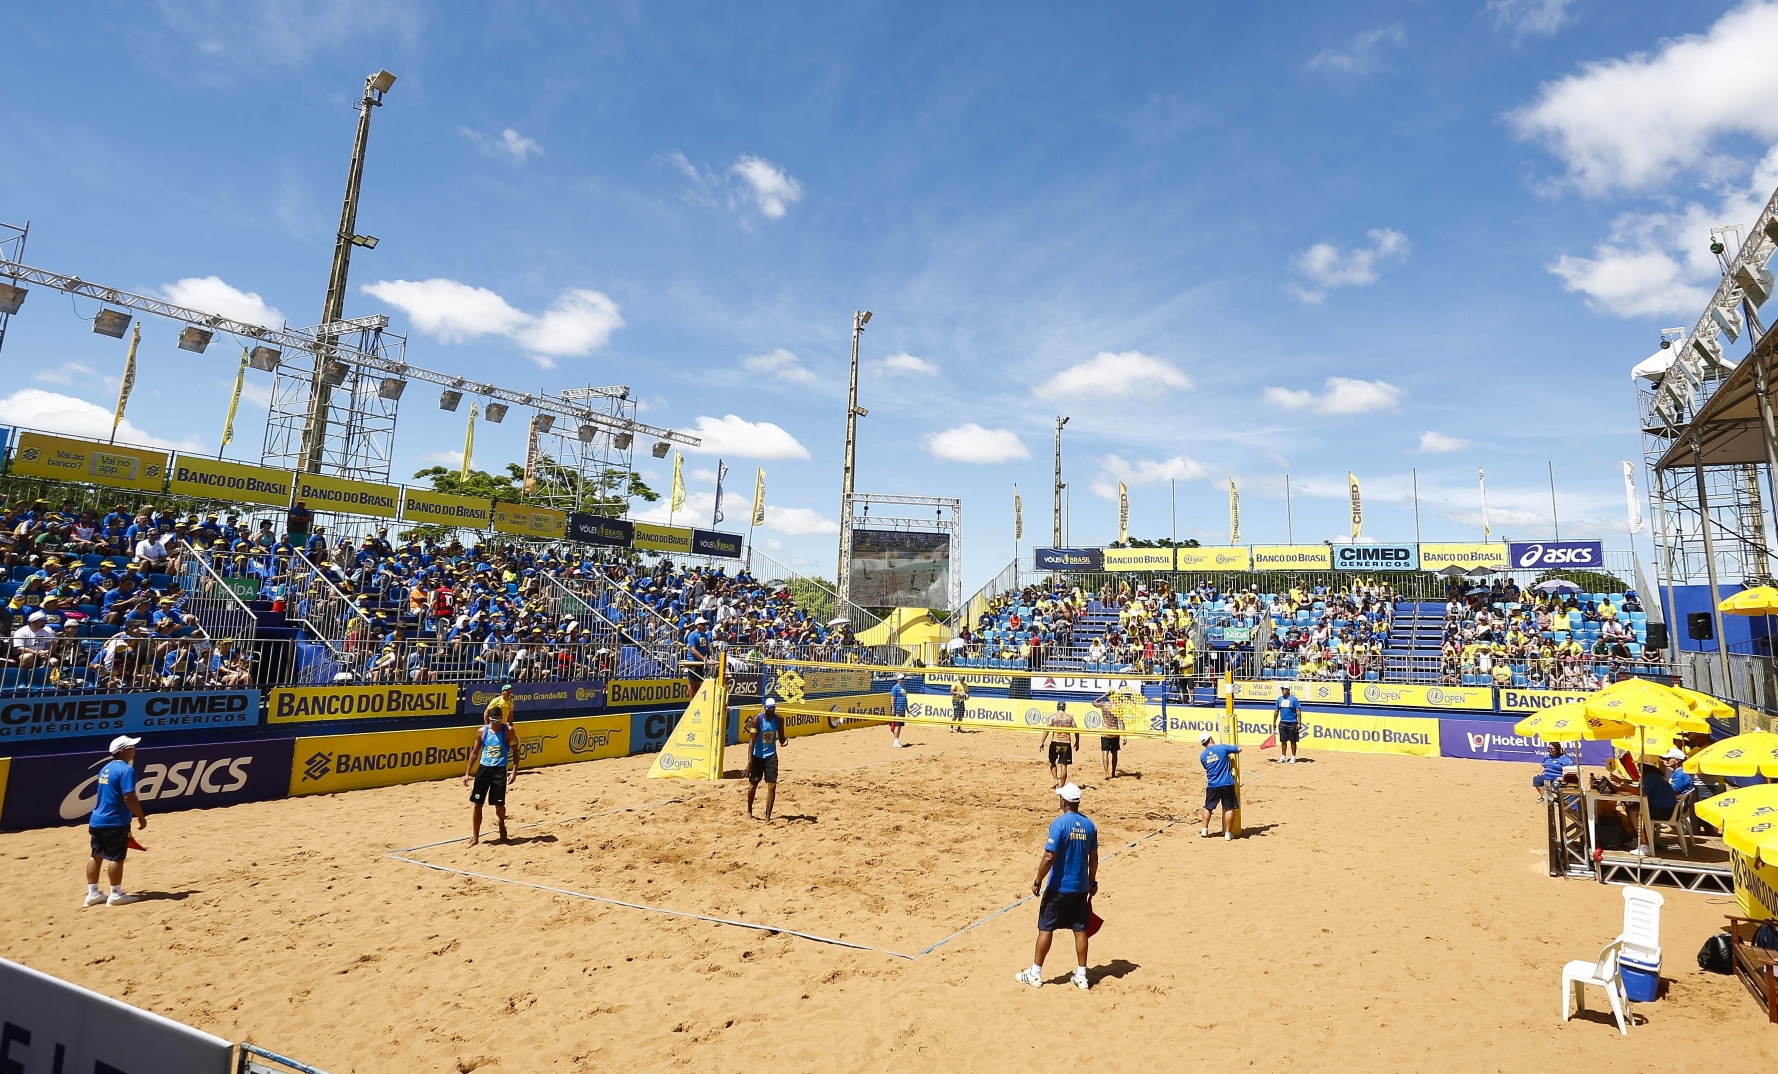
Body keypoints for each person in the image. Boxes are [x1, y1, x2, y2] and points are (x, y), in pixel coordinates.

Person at [1014, 782, 1098, 991]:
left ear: (1063, 801)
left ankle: (1035, 973)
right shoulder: (1089, 825)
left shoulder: (1059, 824)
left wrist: (1037, 880)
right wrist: (1091, 881)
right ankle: (1081, 975)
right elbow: (1094, 858)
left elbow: (1049, 856)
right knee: (1080, 930)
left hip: (1059, 887)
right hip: (1080, 887)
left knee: (1046, 927)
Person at [85, 735, 148, 906]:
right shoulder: (127, 770)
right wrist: (141, 816)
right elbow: (129, 796)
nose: (135, 749)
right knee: (116, 858)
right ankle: (116, 894)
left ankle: (93, 893)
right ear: (122, 751)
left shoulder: (105, 768)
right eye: (132, 747)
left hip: (97, 820)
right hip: (115, 821)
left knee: (96, 856)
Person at [463, 685, 520, 845]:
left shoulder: (508, 731)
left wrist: (514, 771)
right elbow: (474, 753)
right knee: (477, 804)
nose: (496, 724)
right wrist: (467, 773)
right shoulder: (482, 731)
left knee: (499, 806)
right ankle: (475, 837)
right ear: (490, 719)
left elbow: (516, 751)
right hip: (484, 769)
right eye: (493, 721)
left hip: (499, 770)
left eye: (498, 721)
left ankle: (501, 822)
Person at [745, 697, 789, 820]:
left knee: (772, 785)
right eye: (769, 709)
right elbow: (751, 742)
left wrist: (783, 742)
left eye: (773, 708)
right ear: (765, 708)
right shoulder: (757, 720)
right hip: (757, 756)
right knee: (753, 784)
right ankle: (749, 809)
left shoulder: (779, 719)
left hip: (771, 755)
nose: (771, 711)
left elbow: (781, 737)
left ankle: (768, 817)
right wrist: (749, 762)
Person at [1199, 731, 1241, 840]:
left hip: (1213, 784)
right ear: (1211, 738)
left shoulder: (1203, 756)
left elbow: (1207, 767)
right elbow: (1238, 749)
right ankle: (1227, 833)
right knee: (1228, 808)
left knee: (1208, 807)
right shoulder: (1222, 748)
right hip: (1226, 783)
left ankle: (1204, 829)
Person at [1040, 702, 1079, 788]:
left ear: (1057, 707)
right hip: (1066, 743)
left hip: (1055, 742)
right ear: (1065, 708)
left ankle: (1055, 780)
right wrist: (1077, 742)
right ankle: (1061, 786)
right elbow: (1077, 730)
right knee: (1063, 766)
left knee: (1052, 762)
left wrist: (1042, 741)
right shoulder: (1070, 718)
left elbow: (1047, 730)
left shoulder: (1053, 717)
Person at [1094, 693, 1122, 780]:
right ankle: (1113, 772)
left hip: (1106, 731)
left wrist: (1104, 695)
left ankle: (1106, 773)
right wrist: (1124, 735)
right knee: (1114, 753)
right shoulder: (1118, 707)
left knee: (1105, 753)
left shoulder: (1104, 705)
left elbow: (1094, 702)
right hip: (1115, 731)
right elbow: (1121, 721)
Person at [1273, 686, 1302, 763]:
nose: (1283, 690)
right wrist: (1274, 721)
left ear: (1288, 690)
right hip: (1283, 722)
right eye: (1282, 689)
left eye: (1285, 689)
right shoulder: (1280, 699)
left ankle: (1293, 756)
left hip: (1292, 723)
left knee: (1293, 741)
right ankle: (1283, 756)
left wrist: (1299, 722)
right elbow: (1276, 710)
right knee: (1283, 741)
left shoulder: (1294, 699)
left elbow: (1298, 711)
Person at [889, 673, 909, 748]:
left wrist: (906, 707)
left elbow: (905, 698)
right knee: (897, 725)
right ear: (898, 680)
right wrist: (893, 708)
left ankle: (896, 740)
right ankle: (896, 741)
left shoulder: (903, 687)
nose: (903, 680)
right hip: (897, 709)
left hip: (902, 708)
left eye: (903, 679)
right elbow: (892, 698)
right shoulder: (895, 688)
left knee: (899, 725)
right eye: (901, 679)